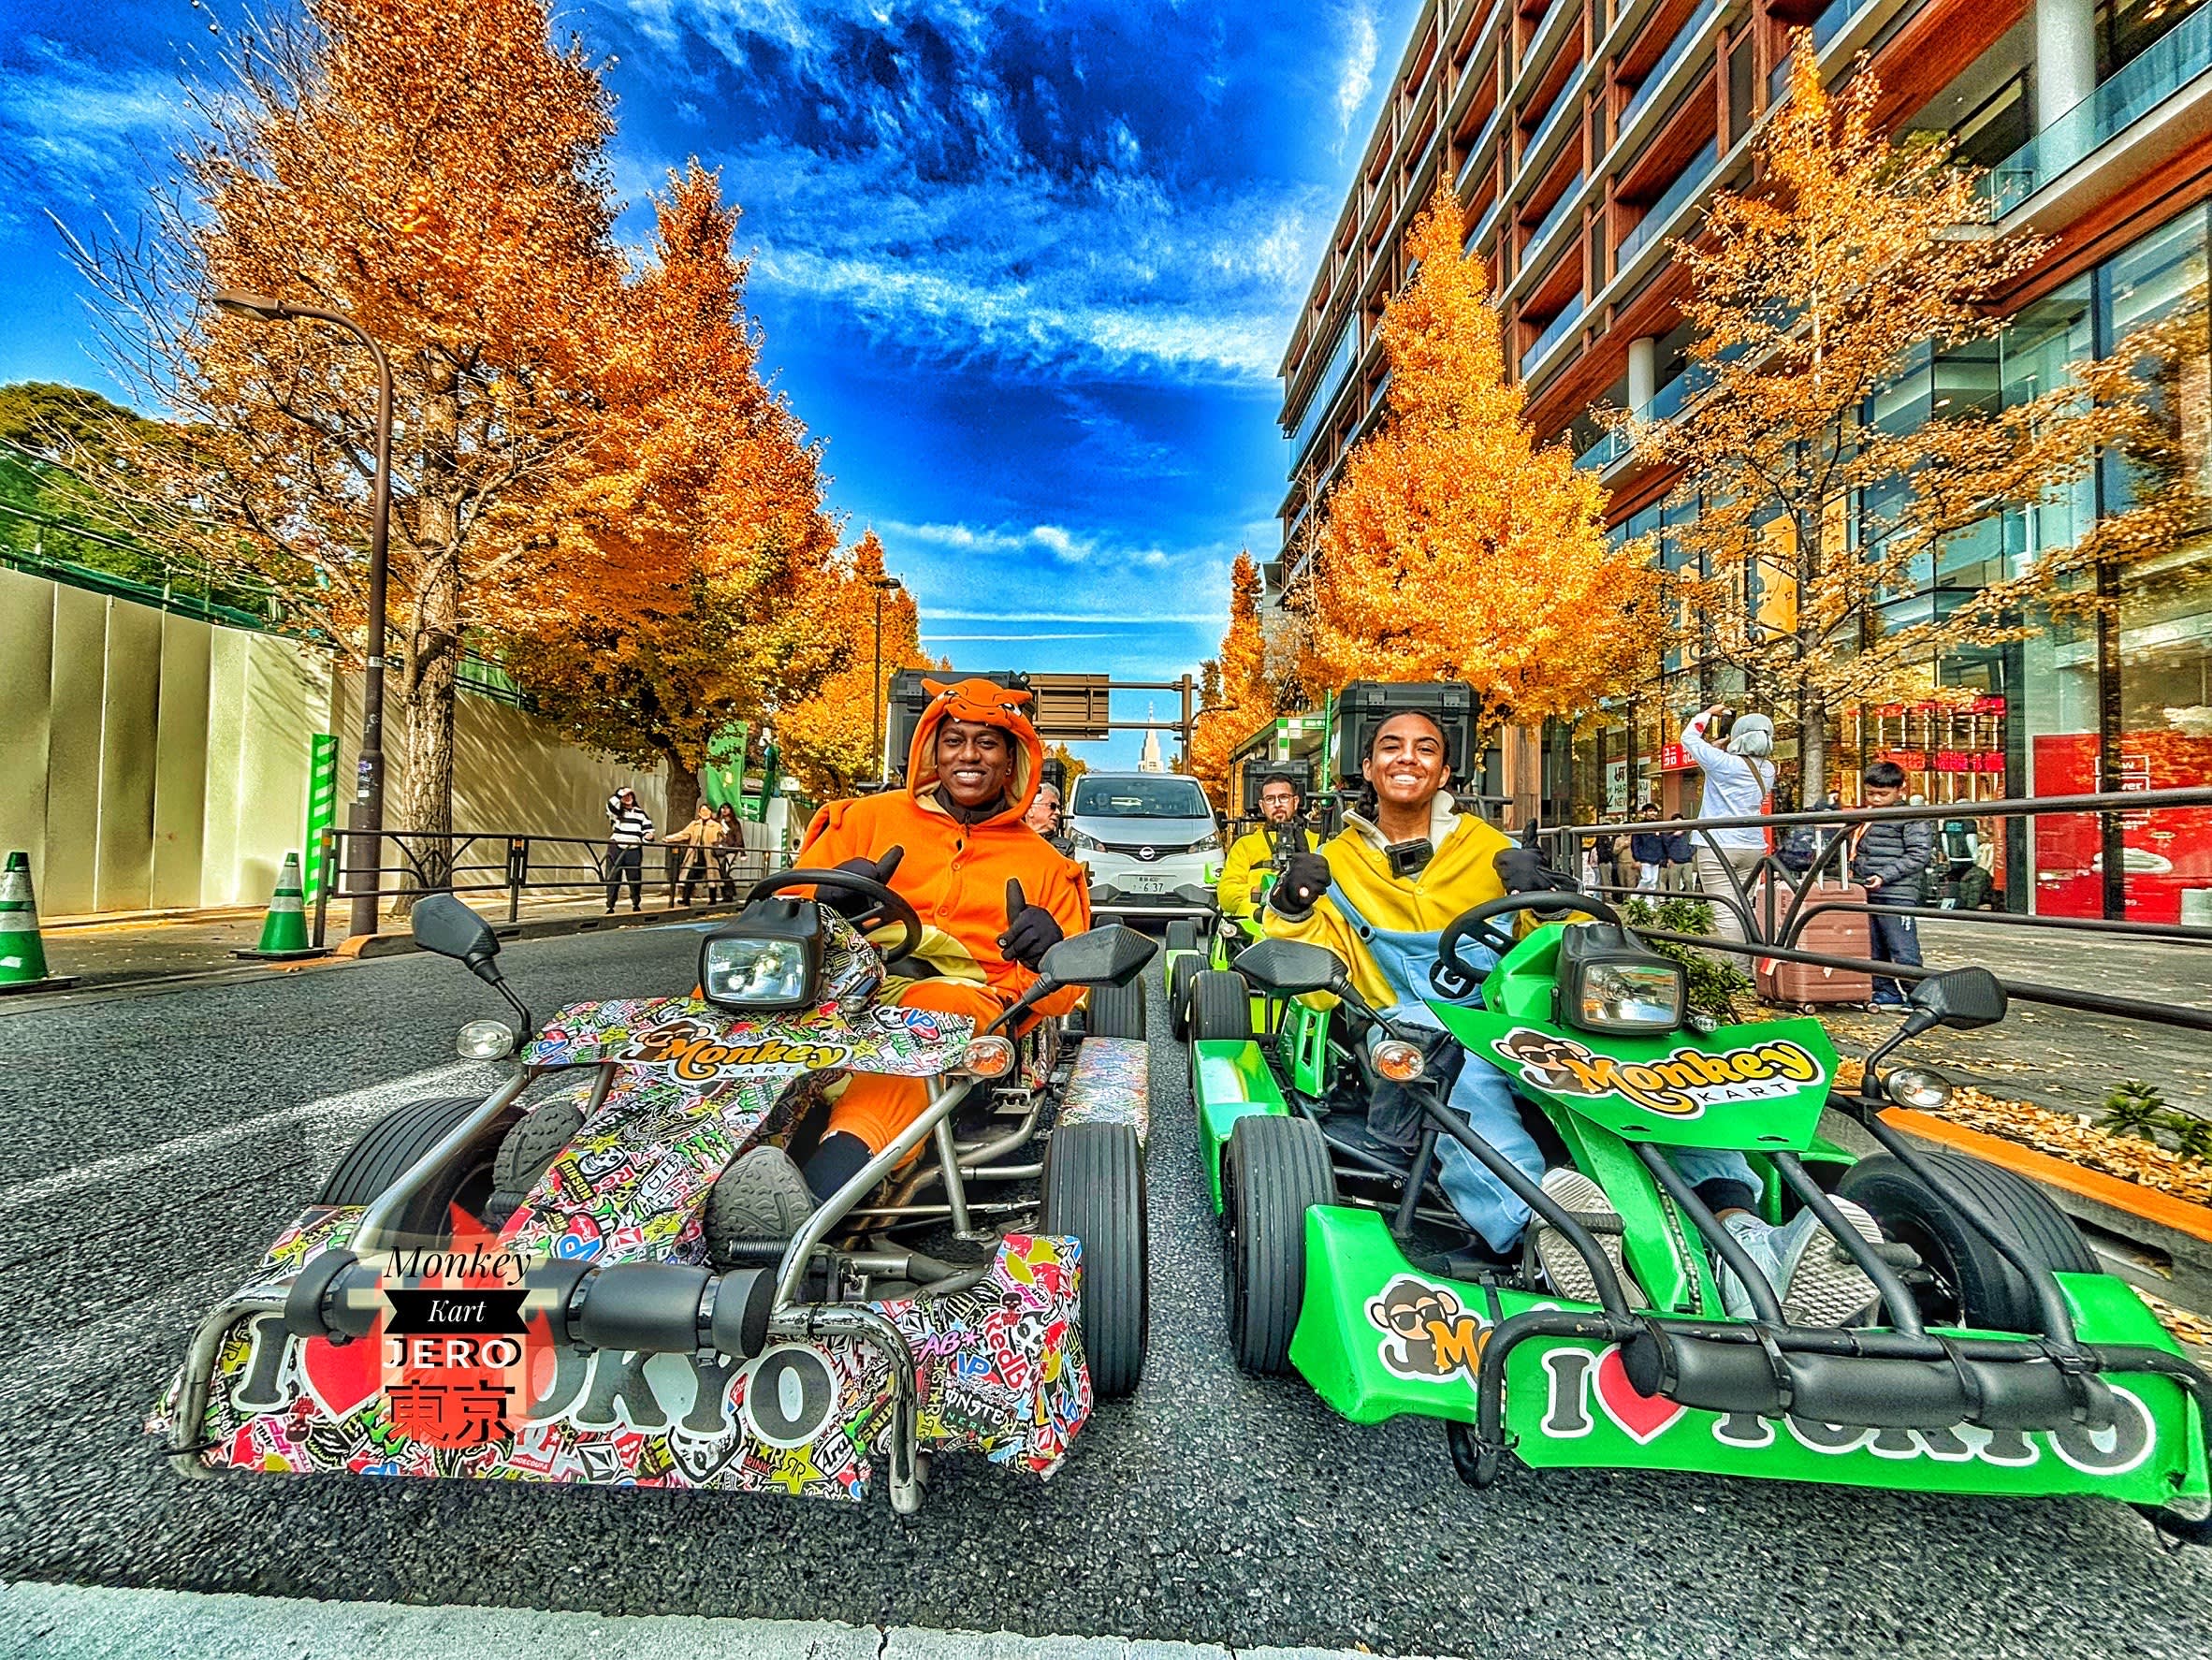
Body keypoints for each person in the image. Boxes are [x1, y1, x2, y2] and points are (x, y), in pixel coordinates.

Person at [1263, 707, 1876, 1323]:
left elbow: (1562, 947)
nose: (1407, 758)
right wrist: (1293, 906)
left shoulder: (1492, 847)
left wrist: (1550, 902)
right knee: (1461, 1073)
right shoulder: (1333, 862)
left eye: (1425, 748)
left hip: (1512, 1016)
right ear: (1368, 767)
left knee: (1658, 1065)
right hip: (1413, 1024)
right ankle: (1542, 1232)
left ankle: (1744, 1237)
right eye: (1391, 747)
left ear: (1446, 771)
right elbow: (1318, 987)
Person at [715, 678, 1090, 1234]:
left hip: (959, 1000)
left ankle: (810, 1204)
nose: (968, 755)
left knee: (926, 1020)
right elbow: (777, 918)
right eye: (954, 740)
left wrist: (1049, 953)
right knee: (733, 985)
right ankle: (634, 1138)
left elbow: (1065, 997)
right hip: (831, 978)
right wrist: (823, 898)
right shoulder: (860, 821)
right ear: (932, 751)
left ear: (1012, 761)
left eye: (987, 743)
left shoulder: (1047, 866)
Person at [1679, 705, 1775, 941]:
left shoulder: (1723, 763)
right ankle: (1751, 954)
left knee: (1724, 910)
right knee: (1744, 906)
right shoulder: (1769, 769)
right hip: (1753, 845)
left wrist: (1707, 713)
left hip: (1718, 844)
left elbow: (1688, 737)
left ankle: (1738, 963)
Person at [1851, 761, 1935, 1009]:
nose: (1876, 799)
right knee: (1874, 946)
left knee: (1902, 948)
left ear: (1900, 790)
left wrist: (1884, 875)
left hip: (1897, 891)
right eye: (1871, 793)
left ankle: (1919, 996)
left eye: (1883, 794)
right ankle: (1885, 990)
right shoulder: (1869, 816)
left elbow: (1919, 854)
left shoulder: (1909, 817)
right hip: (1870, 888)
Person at [1215, 773, 1318, 938]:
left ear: (1295, 801)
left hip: (1308, 924)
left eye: (1284, 797)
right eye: (1270, 799)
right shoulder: (1245, 845)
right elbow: (1226, 895)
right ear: (1262, 806)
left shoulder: (1318, 842)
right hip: (1255, 929)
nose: (1277, 804)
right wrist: (1264, 892)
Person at [662, 803, 728, 906]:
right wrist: (669, 838)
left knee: (712, 876)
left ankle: (713, 899)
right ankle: (686, 898)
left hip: (710, 855)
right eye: (703, 811)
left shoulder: (716, 825)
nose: (705, 813)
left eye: (707, 811)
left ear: (711, 812)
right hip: (696, 855)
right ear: (699, 813)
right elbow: (684, 834)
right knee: (691, 876)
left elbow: (722, 837)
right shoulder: (694, 824)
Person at [604, 787, 653, 913]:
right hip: (617, 846)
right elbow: (610, 804)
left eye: (630, 795)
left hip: (634, 848)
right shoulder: (616, 812)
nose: (628, 798)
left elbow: (648, 829)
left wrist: (648, 836)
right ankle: (610, 905)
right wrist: (621, 793)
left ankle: (636, 903)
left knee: (634, 877)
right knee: (614, 876)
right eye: (625, 796)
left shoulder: (640, 813)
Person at [1629, 806, 1665, 892]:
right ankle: (1635, 897)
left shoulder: (1660, 826)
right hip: (1644, 857)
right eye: (1650, 811)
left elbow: (1663, 842)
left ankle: (1649, 900)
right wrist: (1637, 858)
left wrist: (1663, 856)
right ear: (1645, 813)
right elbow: (1635, 844)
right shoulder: (1640, 826)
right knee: (1647, 879)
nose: (1653, 813)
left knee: (1654, 881)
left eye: (1655, 811)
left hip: (1657, 858)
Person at [715, 804, 746, 901]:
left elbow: (739, 837)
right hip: (718, 849)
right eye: (722, 808)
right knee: (720, 871)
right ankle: (727, 893)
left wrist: (742, 852)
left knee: (725, 870)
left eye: (727, 808)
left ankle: (728, 894)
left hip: (731, 850)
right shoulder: (717, 822)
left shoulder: (735, 823)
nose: (724, 810)